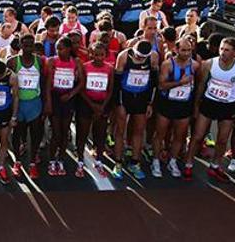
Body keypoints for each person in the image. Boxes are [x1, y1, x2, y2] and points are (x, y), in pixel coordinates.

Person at [184, 37, 235, 182]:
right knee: (198, 136)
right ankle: (188, 163)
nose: (223, 52)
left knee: (222, 139)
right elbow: (200, 86)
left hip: (228, 106)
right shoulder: (209, 64)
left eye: (227, 50)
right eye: (221, 49)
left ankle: (215, 166)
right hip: (209, 103)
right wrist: (196, 106)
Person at [111, 40, 159, 180]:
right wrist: (118, 104)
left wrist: (150, 103)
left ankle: (134, 162)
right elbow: (116, 83)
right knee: (120, 131)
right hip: (125, 97)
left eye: (144, 57)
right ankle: (118, 163)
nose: (140, 59)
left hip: (141, 98)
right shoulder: (124, 56)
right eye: (138, 56)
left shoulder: (153, 57)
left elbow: (154, 83)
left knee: (139, 131)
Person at [152, 37, 199, 178]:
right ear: (176, 50)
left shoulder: (196, 65)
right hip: (167, 103)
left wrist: (195, 106)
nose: (186, 53)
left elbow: (198, 86)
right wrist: (180, 82)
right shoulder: (168, 65)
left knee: (179, 136)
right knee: (159, 134)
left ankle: (172, 161)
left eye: (189, 50)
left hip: (184, 104)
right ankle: (155, 160)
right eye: (183, 50)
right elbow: (161, 85)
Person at [7, 34, 45, 179]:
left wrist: (45, 103)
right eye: (25, 45)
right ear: (20, 46)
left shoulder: (40, 62)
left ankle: (33, 163)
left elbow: (44, 83)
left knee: (35, 134)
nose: (28, 48)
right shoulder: (12, 62)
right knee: (17, 133)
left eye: (31, 45)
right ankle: (17, 162)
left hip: (34, 103)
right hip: (18, 104)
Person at [44, 37, 84, 177]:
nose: (58, 51)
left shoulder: (76, 62)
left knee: (64, 131)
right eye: (57, 49)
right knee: (56, 132)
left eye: (61, 48)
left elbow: (81, 83)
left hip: (68, 99)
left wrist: (71, 94)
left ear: (68, 49)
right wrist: (48, 102)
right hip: (55, 98)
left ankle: (61, 159)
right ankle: (51, 160)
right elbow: (48, 85)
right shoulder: (52, 61)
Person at [78, 41, 114, 177]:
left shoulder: (109, 68)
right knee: (83, 133)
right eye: (95, 55)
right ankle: (80, 159)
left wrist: (102, 106)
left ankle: (99, 159)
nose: (98, 57)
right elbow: (81, 88)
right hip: (86, 103)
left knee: (100, 134)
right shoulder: (85, 67)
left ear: (105, 55)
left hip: (102, 104)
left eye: (101, 55)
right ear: (90, 54)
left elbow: (110, 90)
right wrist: (92, 105)